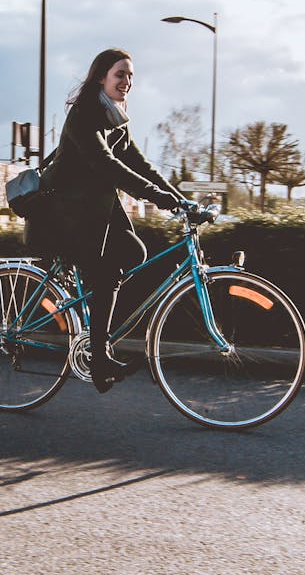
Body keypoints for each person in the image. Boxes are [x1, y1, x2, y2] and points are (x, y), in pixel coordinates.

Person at [40, 48, 192, 393]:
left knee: (133, 255)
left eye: (131, 76)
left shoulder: (116, 118)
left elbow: (140, 165)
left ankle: (99, 346)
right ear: (101, 78)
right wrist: (158, 197)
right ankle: (98, 355)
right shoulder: (84, 116)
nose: (127, 82)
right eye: (120, 74)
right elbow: (108, 165)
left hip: (97, 210)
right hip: (68, 214)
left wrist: (180, 200)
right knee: (108, 271)